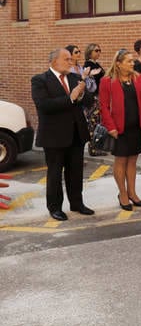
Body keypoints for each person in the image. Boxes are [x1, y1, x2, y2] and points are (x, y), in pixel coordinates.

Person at [31, 48, 95, 221]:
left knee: (76, 172)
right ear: (54, 61)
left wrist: (82, 94)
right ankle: (55, 208)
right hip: (54, 136)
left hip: (76, 134)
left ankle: (77, 203)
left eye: (70, 59)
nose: (71, 62)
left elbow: (89, 101)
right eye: (66, 59)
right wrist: (71, 98)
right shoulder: (40, 80)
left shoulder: (75, 78)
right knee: (55, 173)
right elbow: (44, 105)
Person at [99, 49, 141, 210]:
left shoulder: (136, 78)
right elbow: (104, 106)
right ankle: (122, 194)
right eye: (128, 61)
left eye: (132, 60)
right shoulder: (107, 81)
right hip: (119, 128)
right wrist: (111, 127)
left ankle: (132, 193)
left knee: (133, 160)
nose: (132, 63)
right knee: (121, 160)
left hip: (135, 126)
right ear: (118, 63)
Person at [82, 43, 106, 156]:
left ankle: (96, 147)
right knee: (93, 122)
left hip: (99, 97)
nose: (99, 52)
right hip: (93, 98)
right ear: (90, 52)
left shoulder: (95, 64)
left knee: (97, 122)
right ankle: (93, 148)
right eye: (96, 50)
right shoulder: (88, 65)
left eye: (99, 50)